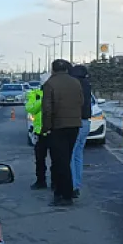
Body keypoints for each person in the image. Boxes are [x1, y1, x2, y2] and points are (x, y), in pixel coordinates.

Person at [41, 59, 84, 205]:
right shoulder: (75, 83)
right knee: (66, 157)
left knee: (60, 161)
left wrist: (46, 128)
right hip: (74, 125)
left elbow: (47, 110)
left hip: (57, 126)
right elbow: (81, 102)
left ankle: (65, 194)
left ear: (53, 70)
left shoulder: (49, 84)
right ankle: (61, 192)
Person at [69, 64, 92, 198]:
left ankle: (72, 185)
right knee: (78, 155)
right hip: (86, 122)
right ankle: (77, 184)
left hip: (75, 122)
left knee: (71, 154)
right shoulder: (87, 84)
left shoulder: (74, 85)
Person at [27, 72, 51, 190]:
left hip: (53, 130)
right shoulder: (35, 94)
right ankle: (41, 180)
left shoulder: (55, 93)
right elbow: (30, 108)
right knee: (40, 159)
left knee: (57, 159)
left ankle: (56, 182)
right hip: (40, 132)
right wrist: (42, 100)